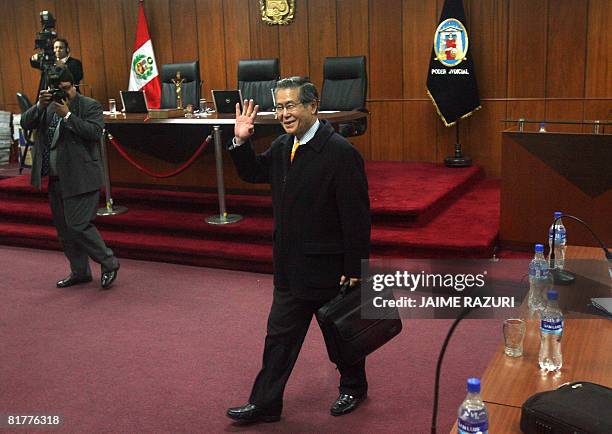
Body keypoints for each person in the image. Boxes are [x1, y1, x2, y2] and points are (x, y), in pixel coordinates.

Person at [226, 77, 371, 423]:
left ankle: (354, 387)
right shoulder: (281, 146)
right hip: (289, 268)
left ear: (312, 106)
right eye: (279, 106)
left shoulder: (340, 152)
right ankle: (265, 403)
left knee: (341, 335)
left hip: (329, 268)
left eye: (290, 105)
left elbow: (357, 217)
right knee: (278, 339)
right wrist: (240, 141)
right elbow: (252, 173)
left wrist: (355, 268)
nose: (284, 113)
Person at [20, 66, 119, 290]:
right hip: (56, 178)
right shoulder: (48, 106)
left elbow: (94, 133)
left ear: (73, 85)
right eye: (56, 89)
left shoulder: (89, 105)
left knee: (78, 225)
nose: (61, 93)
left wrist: (68, 115)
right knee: (64, 231)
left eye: (64, 88)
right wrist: (39, 106)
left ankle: (109, 262)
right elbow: (26, 123)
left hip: (81, 177)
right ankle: (80, 272)